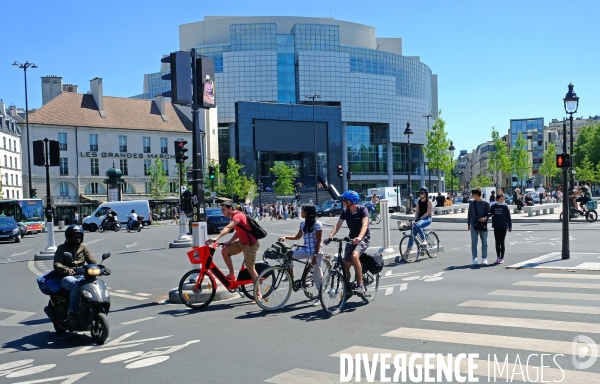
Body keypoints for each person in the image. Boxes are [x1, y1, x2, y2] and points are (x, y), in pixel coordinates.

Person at [53, 225, 107, 326]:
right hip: (67, 277)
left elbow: (92, 261)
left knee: (97, 282)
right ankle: (72, 313)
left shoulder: (83, 248)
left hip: (82, 274)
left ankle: (97, 304)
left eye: (79, 236)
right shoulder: (62, 248)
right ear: (69, 237)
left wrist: (101, 267)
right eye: (74, 236)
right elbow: (57, 264)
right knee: (76, 284)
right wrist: (65, 269)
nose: (77, 238)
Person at [208, 202, 261, 302]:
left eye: (223, 209)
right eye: (221, 209)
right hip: (242, 243)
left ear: (230, 209)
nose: (222, 211)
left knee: (251, 269)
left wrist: (217, 237)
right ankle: (232, 274)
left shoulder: (238, 216)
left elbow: (228, 228)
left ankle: (258, 295)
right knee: (225, 251)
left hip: (251, 245)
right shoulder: (233, 217)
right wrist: (229, 242)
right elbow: (238, 232)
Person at [278, 205, 323, 306]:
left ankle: (320, 297)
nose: (301, 212)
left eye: (302, 211)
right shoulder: (302, 223)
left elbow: (319, 241)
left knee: (317, 275)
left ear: (307, 212)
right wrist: (285, 237)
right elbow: (298, 237)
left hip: (316, 252)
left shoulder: (317, 224)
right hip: (306, 250)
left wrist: (315, 256)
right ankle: (291, 273)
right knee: (288, 255)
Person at [325, 190, 369, 293]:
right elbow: (337, 225)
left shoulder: (363, 210)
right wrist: (330, 237)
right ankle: (347, 285)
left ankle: (360, 284)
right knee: (346, 264)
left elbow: (365, 225)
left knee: (354, 256)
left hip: (364, 238)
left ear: (351, 201)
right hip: (351, 238)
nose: (343, 203)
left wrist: (359, 237)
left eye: (345, 201)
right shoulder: (345, 211)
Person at [403, 187, 433, 259]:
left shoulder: (429, 201)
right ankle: (408, 249)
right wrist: (416, 219)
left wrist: (421, 218)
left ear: (425, 194)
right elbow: (416, 212)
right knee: (412, 232)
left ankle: (424, 240)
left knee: (418, 225)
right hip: (420, 219)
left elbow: (428, 212)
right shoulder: (419, 201)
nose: (420, 194)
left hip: (427, 218)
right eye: (419, 193)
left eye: (422, 193)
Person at [467, 188, 491, 266]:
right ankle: (474, 258)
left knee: (484, 242)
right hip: (474, 224)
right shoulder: (472, 203)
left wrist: (485, 218)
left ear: (476, 195)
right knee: (474, 243)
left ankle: (484, 258)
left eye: (473, 194)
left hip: (482, 224)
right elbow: (469, 214)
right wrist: (468, 224)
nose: (472, 196)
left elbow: (489, 213)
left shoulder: (485, 203)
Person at [491, 193, 512, 264]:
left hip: (503, 226)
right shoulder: (493, 206)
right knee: (497, 242)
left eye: (503, 199)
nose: (502, 200)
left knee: (502, 241)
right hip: (496, 226)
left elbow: (508, 218)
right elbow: (490, 213)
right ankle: (498, 257)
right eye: (501, 199)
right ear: (497, 199)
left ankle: (502, 257)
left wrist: (510, 227)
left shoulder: (505, 207)